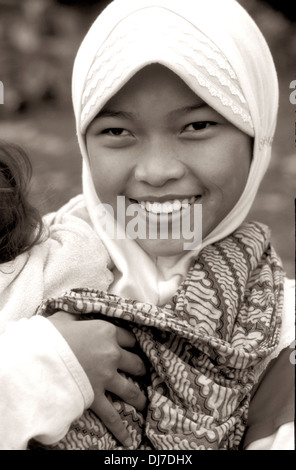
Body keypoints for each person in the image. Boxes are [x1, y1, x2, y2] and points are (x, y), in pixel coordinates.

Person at [0, 0, 294, 451]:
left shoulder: (280, 329)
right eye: (117, 132)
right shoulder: (17, 262)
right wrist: (42, 364)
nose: (156, 172)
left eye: (196, 126)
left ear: (257, 137)